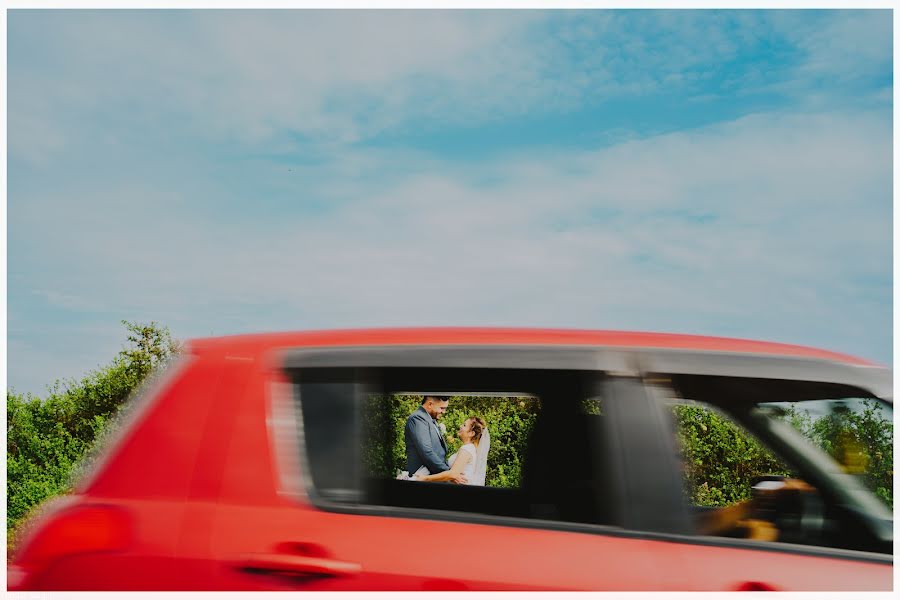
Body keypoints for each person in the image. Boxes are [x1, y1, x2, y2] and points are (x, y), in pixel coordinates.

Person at [404, 396, 467, 484]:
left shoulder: (430, 419)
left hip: (432, 477)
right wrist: (449, 473)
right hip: (422, 476)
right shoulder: (418, 418)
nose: (444, 412)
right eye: (442, 408)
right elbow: (426, 451)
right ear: (430, 404)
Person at [414, 416, 490, 486]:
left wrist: (425, 478)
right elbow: (453, 474)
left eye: (464, 425)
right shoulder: (470, 448)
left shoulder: (467, 449)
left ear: (471, 433)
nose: (460, 426)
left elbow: (452, 474)